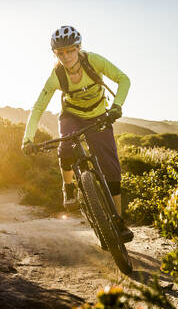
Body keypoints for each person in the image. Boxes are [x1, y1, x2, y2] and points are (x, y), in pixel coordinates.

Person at [21, 25, 133, 242]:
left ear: (78, 49)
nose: (66, 57)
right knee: (65, 148)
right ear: (55, 54)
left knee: (111, 170)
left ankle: (119, 222)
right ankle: (69, 186)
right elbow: (38, 108)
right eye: (60, 53)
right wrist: (27, 139)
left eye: (70, 51)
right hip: (71, 116)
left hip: (100, 115)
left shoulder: (94, 61)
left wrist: (117, 106)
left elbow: (124, 79)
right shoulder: (57, 76)